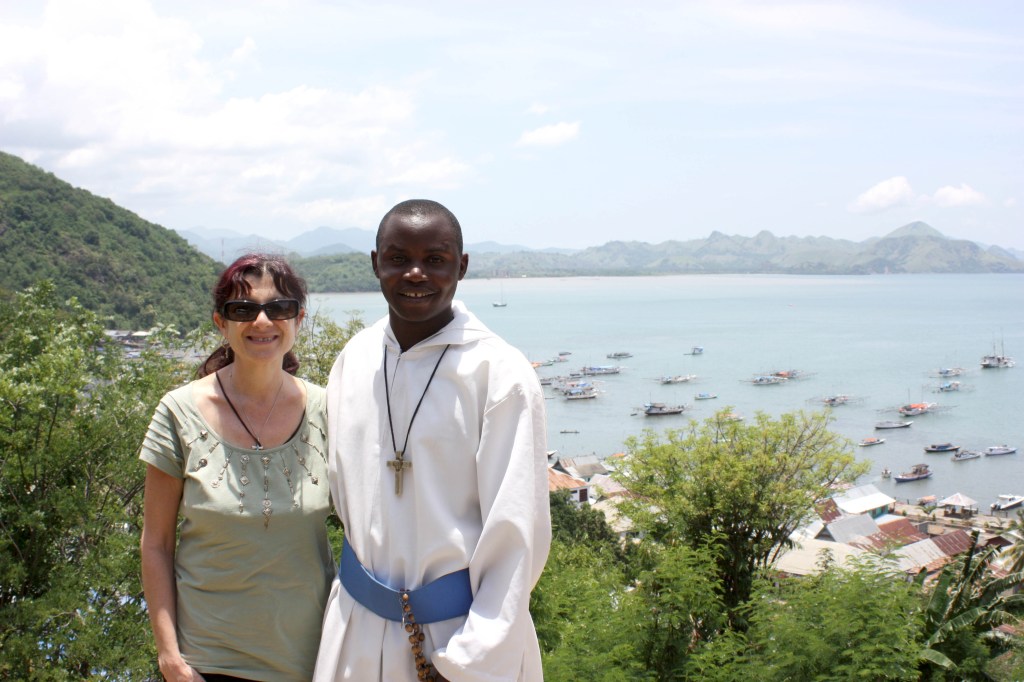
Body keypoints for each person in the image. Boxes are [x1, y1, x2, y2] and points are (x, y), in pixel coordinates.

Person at [313, 200, 551, 681]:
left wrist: (467, 662)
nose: (416, 273)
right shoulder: (355, 358)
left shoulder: (498, 374)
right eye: (398, 258)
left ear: (461, 266)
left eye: (435, 259)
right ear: (376, 263)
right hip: (355, 630)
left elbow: (516, 535)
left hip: (458, 637)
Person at [140, 254, 334, 682]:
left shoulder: (329, 410)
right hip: (207, 662)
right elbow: (156, 543)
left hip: (315, 660)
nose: (262, 321)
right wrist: (169, 657)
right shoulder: (179, 412)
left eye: (278, 307)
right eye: (243, 309)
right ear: (220, 323)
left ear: (299, 319)